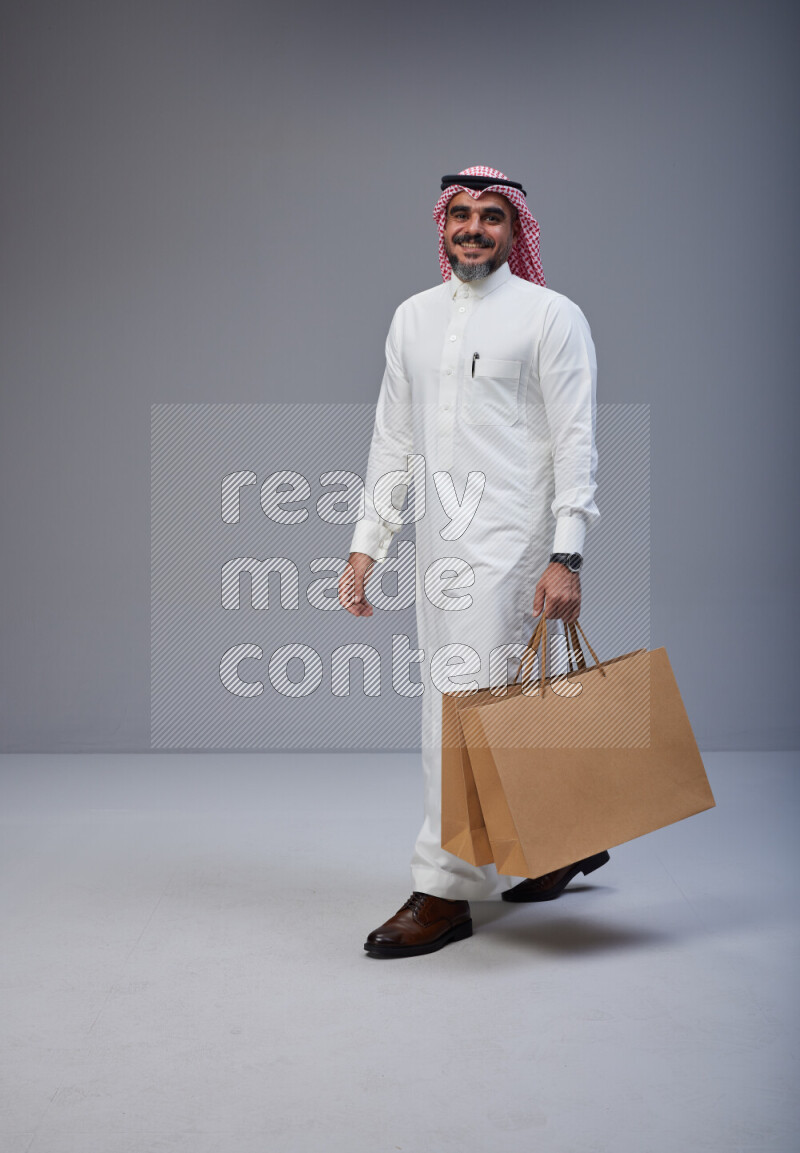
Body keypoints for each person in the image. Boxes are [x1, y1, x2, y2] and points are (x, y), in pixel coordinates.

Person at [339, 165, 606, 958]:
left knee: (458, 715)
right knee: (500, 709)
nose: (474, 228)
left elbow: (576, 441)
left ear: (514, 228)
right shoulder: (413, 319)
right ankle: (559, 844)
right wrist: (367, 543)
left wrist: (567, 554)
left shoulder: (550, 316)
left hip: (514, 544)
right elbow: (393, 437)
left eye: (492, 216)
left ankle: (445, 888)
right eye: (462, 214)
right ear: (442, 223)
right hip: (439, 548)